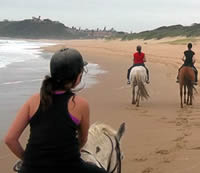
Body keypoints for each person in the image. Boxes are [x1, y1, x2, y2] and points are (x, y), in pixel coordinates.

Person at [4, 48, 107, 173]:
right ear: (78, 76)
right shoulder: (81, 104)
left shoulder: (33, 100)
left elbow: (10, 139)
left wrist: (29, 160)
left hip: (31, 168)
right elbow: (83, 139)